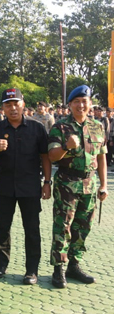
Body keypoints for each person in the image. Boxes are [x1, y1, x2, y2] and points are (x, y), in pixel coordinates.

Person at [0, 88, 51, 285]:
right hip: (5, 187)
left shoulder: (36, 128)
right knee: (3, 228)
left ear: (23, 104)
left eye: (16, 103)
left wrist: (47, 182)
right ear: (3, 107)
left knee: (32, 229)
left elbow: (45, 157)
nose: (12, 108)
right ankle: (1, 265)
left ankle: (32, 270)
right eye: (8, 104)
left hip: (30, 187)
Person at [47, 85, 108, 289]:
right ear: (70, 105)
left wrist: (104, 185)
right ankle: (59, 269)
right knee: (63, 226)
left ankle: (74, 265)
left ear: (90, 104)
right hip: (67, 183)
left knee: (83, 227)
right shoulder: (60, 127)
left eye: (85, 101)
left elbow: (101, 157)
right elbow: (52, 156)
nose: (81, 105)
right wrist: (66, 147)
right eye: (76, 102)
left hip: (90, 185)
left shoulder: (97, 126)